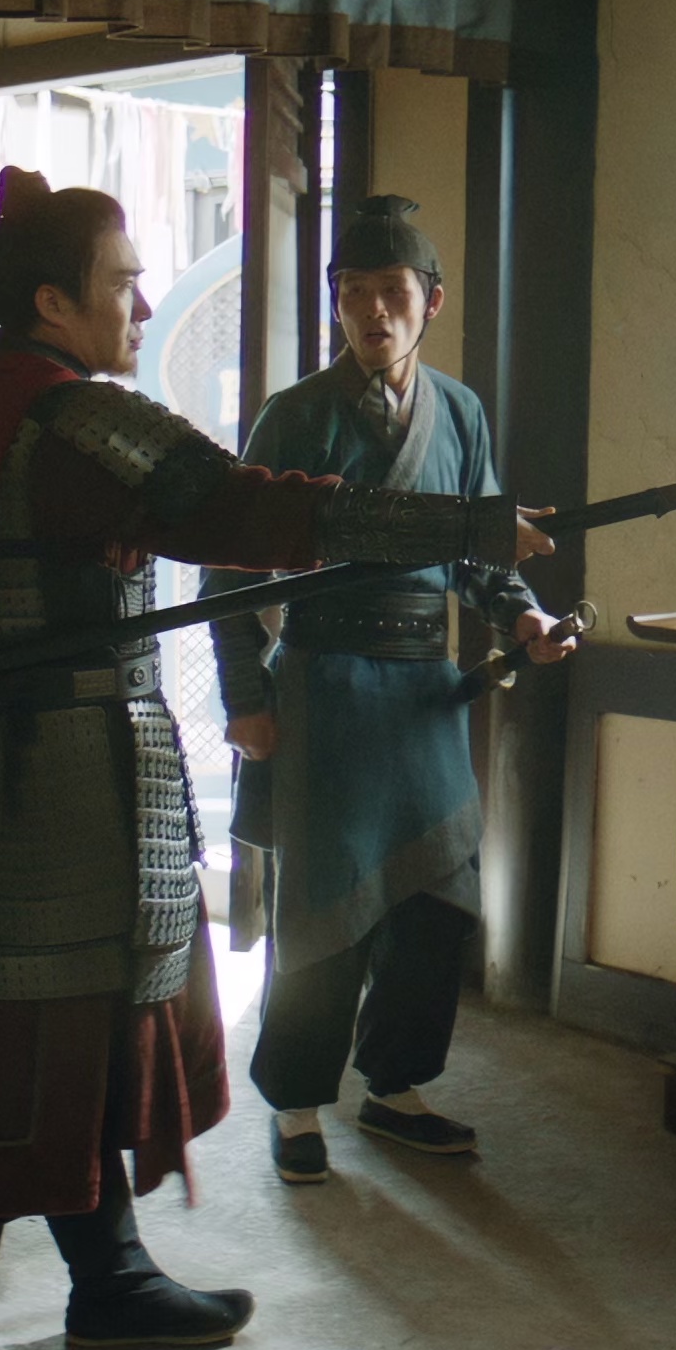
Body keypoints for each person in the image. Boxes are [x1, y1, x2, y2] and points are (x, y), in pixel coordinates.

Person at [0, 168, 557, 1350]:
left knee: (92, 1046)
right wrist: (467, 523)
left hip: (57, 776)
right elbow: (248, 508)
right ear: (52, 302)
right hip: (43, 802)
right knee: (8, 1074)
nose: (141, 304)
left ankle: (111, 1277)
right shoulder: (71, 418)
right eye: (124, 283)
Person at [210, 194, 571, 1184]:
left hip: (423, 694)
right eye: (354, 291)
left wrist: (526, 619)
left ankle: (397, 1086)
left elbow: (482, 554)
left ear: (432, 302)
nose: (374, 310)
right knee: (322, 908)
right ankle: (296, 1101)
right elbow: (231, 563)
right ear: (336, 303)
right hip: (324, 685)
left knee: (436, 897)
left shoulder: (459, 412)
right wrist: (246, 698)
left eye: (394, 292)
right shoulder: (297, 415)